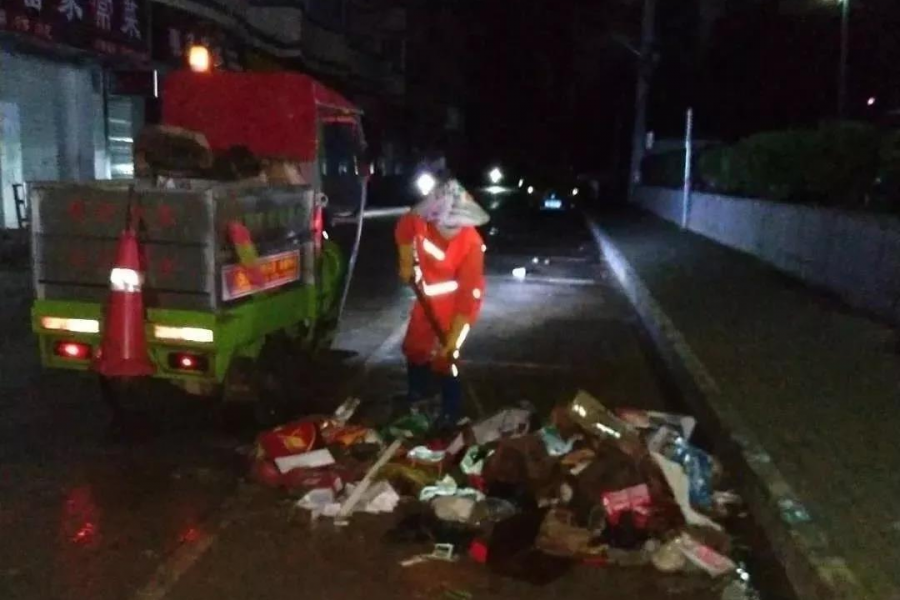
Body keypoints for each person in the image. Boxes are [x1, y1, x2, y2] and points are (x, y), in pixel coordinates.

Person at [395, 177, 490, 424]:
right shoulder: (420, 222)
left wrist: (452, 337)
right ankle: (417, 395)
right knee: (415, 346)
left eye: (458, 224)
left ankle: (451, 409)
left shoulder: (472, 244)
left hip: (459, 304)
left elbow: (467, 297)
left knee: (446, 357)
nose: (452, 229)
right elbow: (404, 229)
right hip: (427, 296)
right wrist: (406, 261)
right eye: (447, 224)